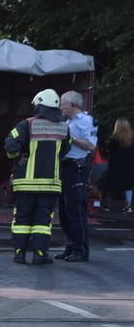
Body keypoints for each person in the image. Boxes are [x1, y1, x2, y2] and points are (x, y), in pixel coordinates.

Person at [4, 89, 71, 265]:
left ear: (38, 106)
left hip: (26, 183)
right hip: (50, 183)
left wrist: (18, 157)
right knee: (43, 220)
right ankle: (39, 254)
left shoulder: (26, 124)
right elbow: (65, 150)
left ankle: (19, 253)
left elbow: (10, 146)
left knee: (22, 217)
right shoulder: (64, 127)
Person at [56, 91, 98, 262]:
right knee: (65, 211)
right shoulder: (69, 121)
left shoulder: (86, 121)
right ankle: (71, 246)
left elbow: (91, 146)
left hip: (77, 168)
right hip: (65, 167)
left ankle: (81, 251)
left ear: (73, 105)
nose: (61, 106)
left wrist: (70, 138)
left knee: (76, 210)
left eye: (63, 103)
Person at [105, 118, 134, 213]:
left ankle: (107, 205)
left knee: (111, 184)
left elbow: (108, 148)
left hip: (116, 164)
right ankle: (128, 206)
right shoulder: (132, 137)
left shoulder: (115, 138)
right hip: (129, 165)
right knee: (127, 185)